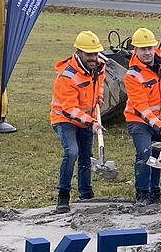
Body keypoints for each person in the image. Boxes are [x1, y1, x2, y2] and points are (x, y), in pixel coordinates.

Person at [123, 27, 161, 206]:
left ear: (155, 47)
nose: (147, 52)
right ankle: (142, 193)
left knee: (157, 157)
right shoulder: (133, 75)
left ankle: (155, 192)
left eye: (150, 48)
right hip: (139, 120)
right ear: (135, 50)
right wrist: (160, 127)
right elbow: (141, 108)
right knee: (145, 154)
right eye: (143, 49)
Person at [50, 30, 106, 213]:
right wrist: (91, 122)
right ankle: (63, 195)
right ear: (79, 52)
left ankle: (86, 193)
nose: (93, 58)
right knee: (72, 152)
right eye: (89, 54)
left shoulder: (99, 66)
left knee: (85, 156)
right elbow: (69, 109)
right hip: (64, 118)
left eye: (95, 53)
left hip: (86, 119)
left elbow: (99, 82)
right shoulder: (66, 76)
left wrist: (98, 96)